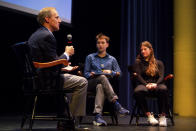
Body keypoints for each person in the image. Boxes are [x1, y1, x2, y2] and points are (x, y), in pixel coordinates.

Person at [28, 7, 88, 129]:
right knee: (82, 82)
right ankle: (69, 121)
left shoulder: (37, 34)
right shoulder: (47, 36)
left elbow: (46, 63)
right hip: (46, 81)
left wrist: (63, 68)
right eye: (57, 17)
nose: (60, 20)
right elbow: (55, 63)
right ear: (47, 19)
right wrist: (66, 54)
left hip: (37, 78)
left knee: (72, 78)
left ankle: (66, 118)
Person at [84, 33, 130, 126]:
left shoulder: (112, 59)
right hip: (91, 84)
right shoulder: (90, 57)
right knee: (101, 77)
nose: (100, 45)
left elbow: (119, 74)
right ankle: (116, 104)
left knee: (101, 86)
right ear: (96, 44)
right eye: (98, 43)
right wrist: (91, 74)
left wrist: (111, 72)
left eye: (102, 43)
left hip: (104, 86)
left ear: (107, 45)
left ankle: (98, 116)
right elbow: (86, 73)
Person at [133, 41, 169, 126]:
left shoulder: (159, 63)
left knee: (163, 89)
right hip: (144, 85)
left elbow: (161, 76)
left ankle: (162, 116)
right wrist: (146, 84)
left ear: (150, 50)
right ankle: (149, 116)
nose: (142, 51)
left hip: (157, 84)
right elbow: (138, 76)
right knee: (138, 91)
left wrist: (155, 84)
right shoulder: (138, 62)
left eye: (145, 49)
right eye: (141, 50)